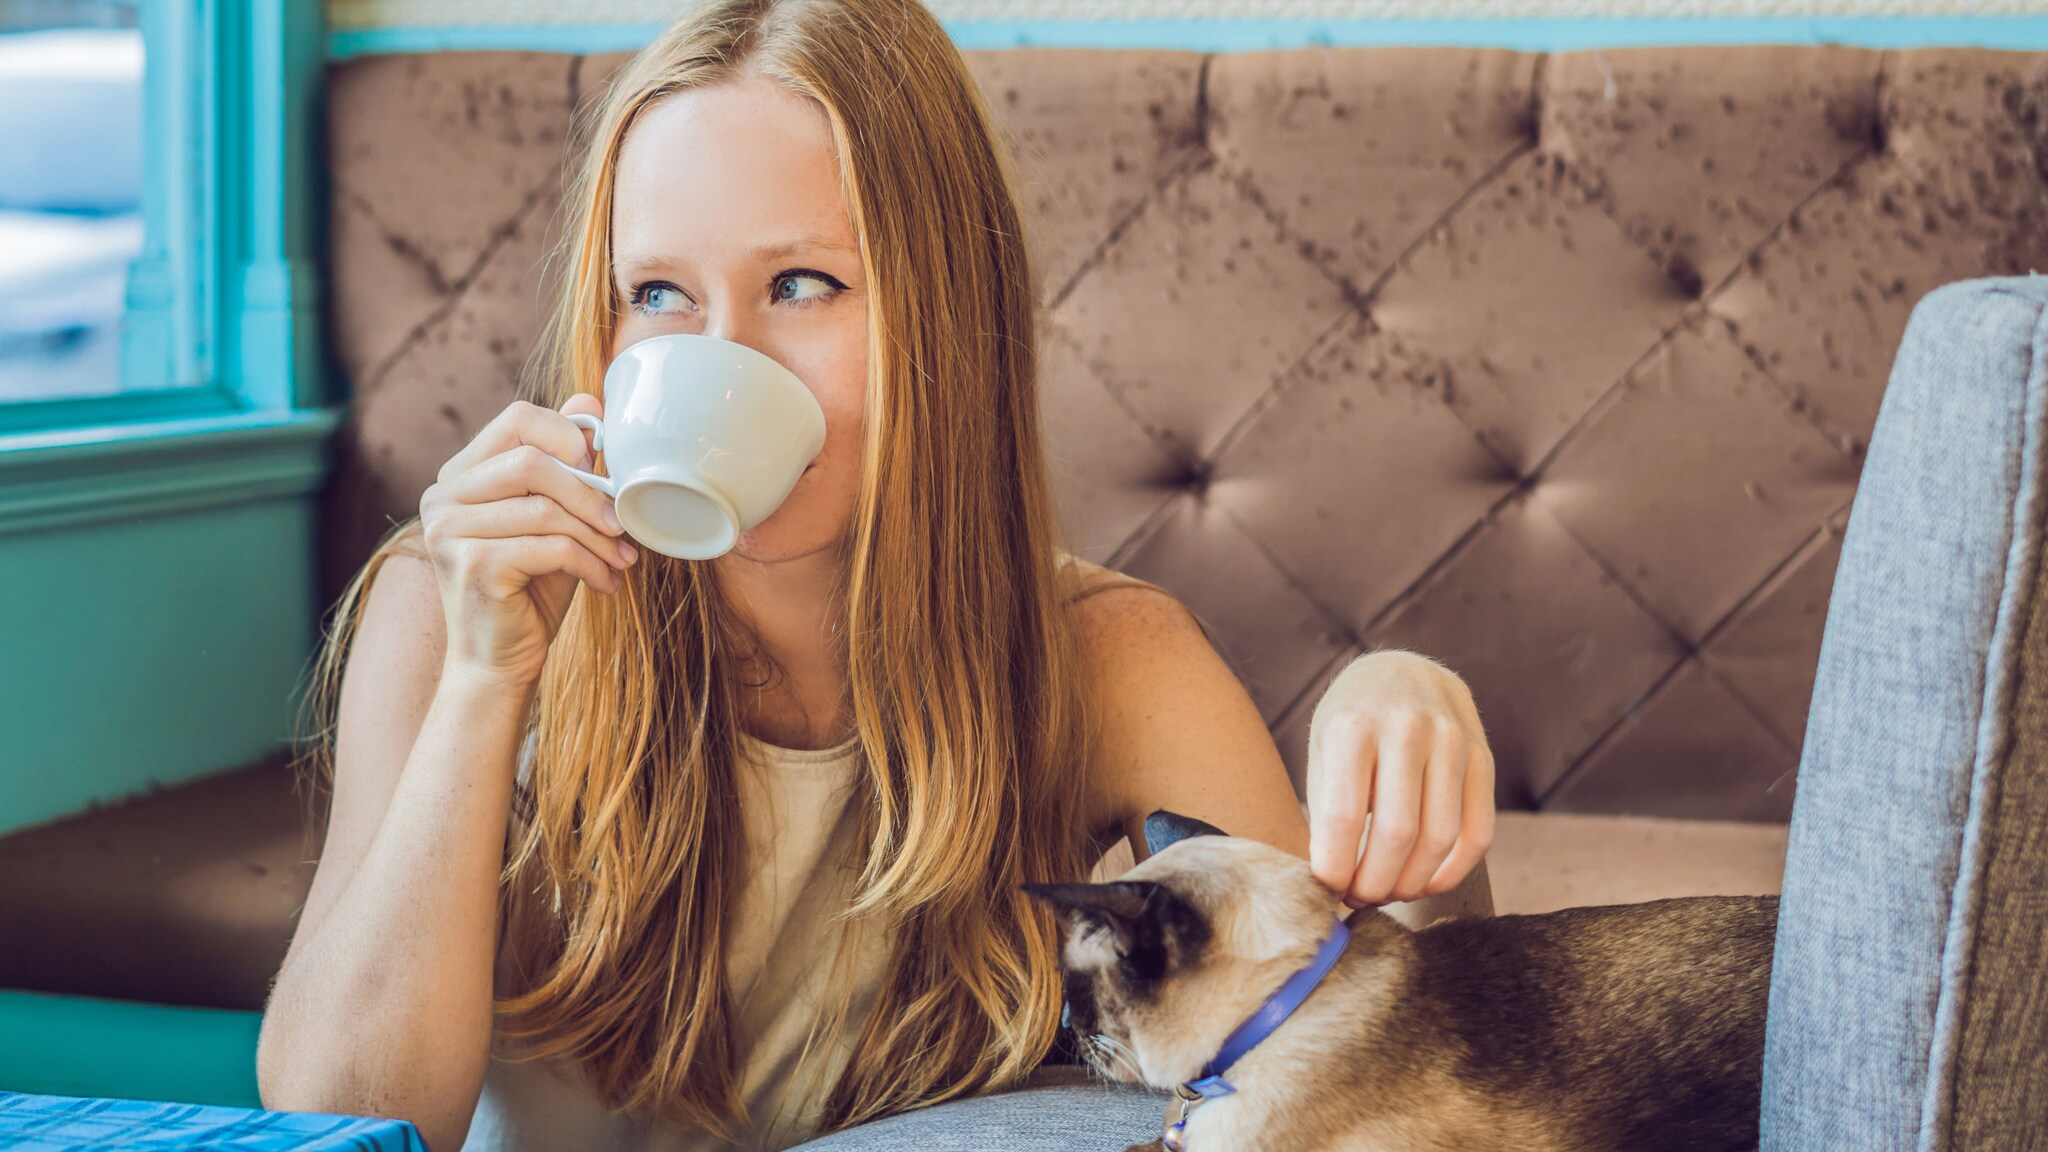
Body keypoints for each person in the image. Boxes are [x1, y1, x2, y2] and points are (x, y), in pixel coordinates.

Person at [255, 1, 1496, 1148]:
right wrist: (484, 686)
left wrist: (1404, 708)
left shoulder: (1102, 655)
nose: (726, 359)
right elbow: (341, 1120)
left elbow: (1378, 1059)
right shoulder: (455, 603)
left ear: (943, 314)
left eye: (802, 285)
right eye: (659, 294)